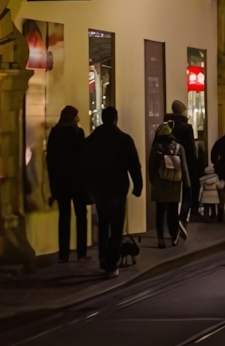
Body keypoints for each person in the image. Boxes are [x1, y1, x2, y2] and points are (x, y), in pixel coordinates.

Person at [83, 107, 142, 277]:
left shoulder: (92, 140)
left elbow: (84, 166)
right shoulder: (124, 139)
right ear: (116, 118)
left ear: (102, 118)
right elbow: (134, 165)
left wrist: (87, 188)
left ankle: (103, 257)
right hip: (117, 189)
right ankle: (112, 262)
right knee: (116, 227)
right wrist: (138, 186)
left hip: (99, 189)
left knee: (103, 224)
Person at [46, 106, 88, 263]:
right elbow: (83, 159)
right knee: (81, 216)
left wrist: (53, 185)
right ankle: (81, 252)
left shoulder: (54, 133)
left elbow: (50, 160)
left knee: (64, 217)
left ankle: (63, 254)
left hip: (61, 183)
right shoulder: (78, 133)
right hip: (77, 183)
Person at [148, 122, 187, 247]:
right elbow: (184, 168)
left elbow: (151, 167)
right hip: (174, 183)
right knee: (173, 211)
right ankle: (174, 237)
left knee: (160, 212)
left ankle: (161, 239)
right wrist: (187, 183)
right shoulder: (178, 147)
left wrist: (153, 181)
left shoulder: (156, 147)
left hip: (160, 184)